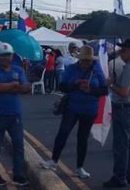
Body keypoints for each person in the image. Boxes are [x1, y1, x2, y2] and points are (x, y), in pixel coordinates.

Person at [42, 46, 108, 178]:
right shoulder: (72, 69)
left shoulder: (97, 70)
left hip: (90, 109)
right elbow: (62, 86)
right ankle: (53, 160)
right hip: (73, 106)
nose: (86, 63)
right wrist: (76, 84)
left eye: (88, 61)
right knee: (63, 132)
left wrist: (91, 90)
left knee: (82, 138)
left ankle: (80, 167)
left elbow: (104, 90)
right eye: (84, 60)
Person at [0, 43, 31, 186]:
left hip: (15, 114)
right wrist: (14, 85)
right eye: (3, 55)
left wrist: (9, 86)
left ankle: (18, 175)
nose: (5, 58)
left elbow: (27, 87)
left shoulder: (18, 69)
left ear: (12, 56)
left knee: (18, 145)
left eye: (8, 55)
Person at [104, 39, 130, 188]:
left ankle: (119, 176)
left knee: (121, 145)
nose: (121, 53)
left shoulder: (129, 68)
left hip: (123, 107)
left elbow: (123, 92)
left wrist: (111, 84)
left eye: (124, 50)